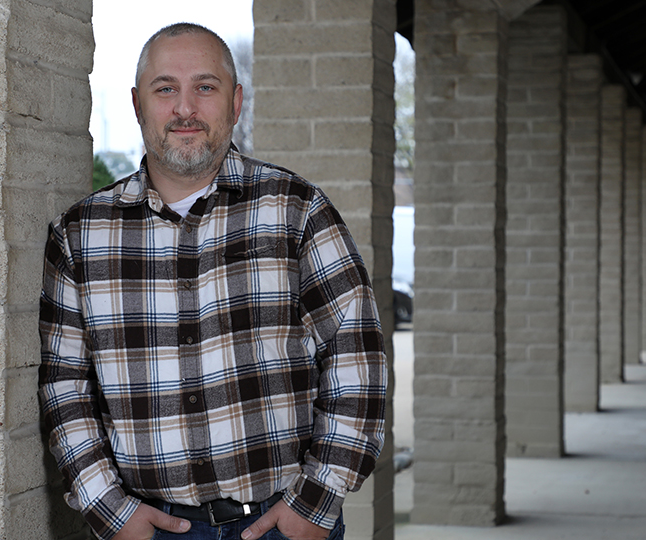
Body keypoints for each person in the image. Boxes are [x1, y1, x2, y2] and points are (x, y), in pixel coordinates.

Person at [38, 22, 386, 540]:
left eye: (205, 87)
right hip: (150, 528)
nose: (184, 108)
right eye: (165, 89)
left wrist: (316, 502)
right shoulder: (80, 234)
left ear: (236, 101)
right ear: (138, 104)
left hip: (279, 523)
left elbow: (355, 357)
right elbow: (66, 385)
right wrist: (111, 512)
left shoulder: (297, 211)